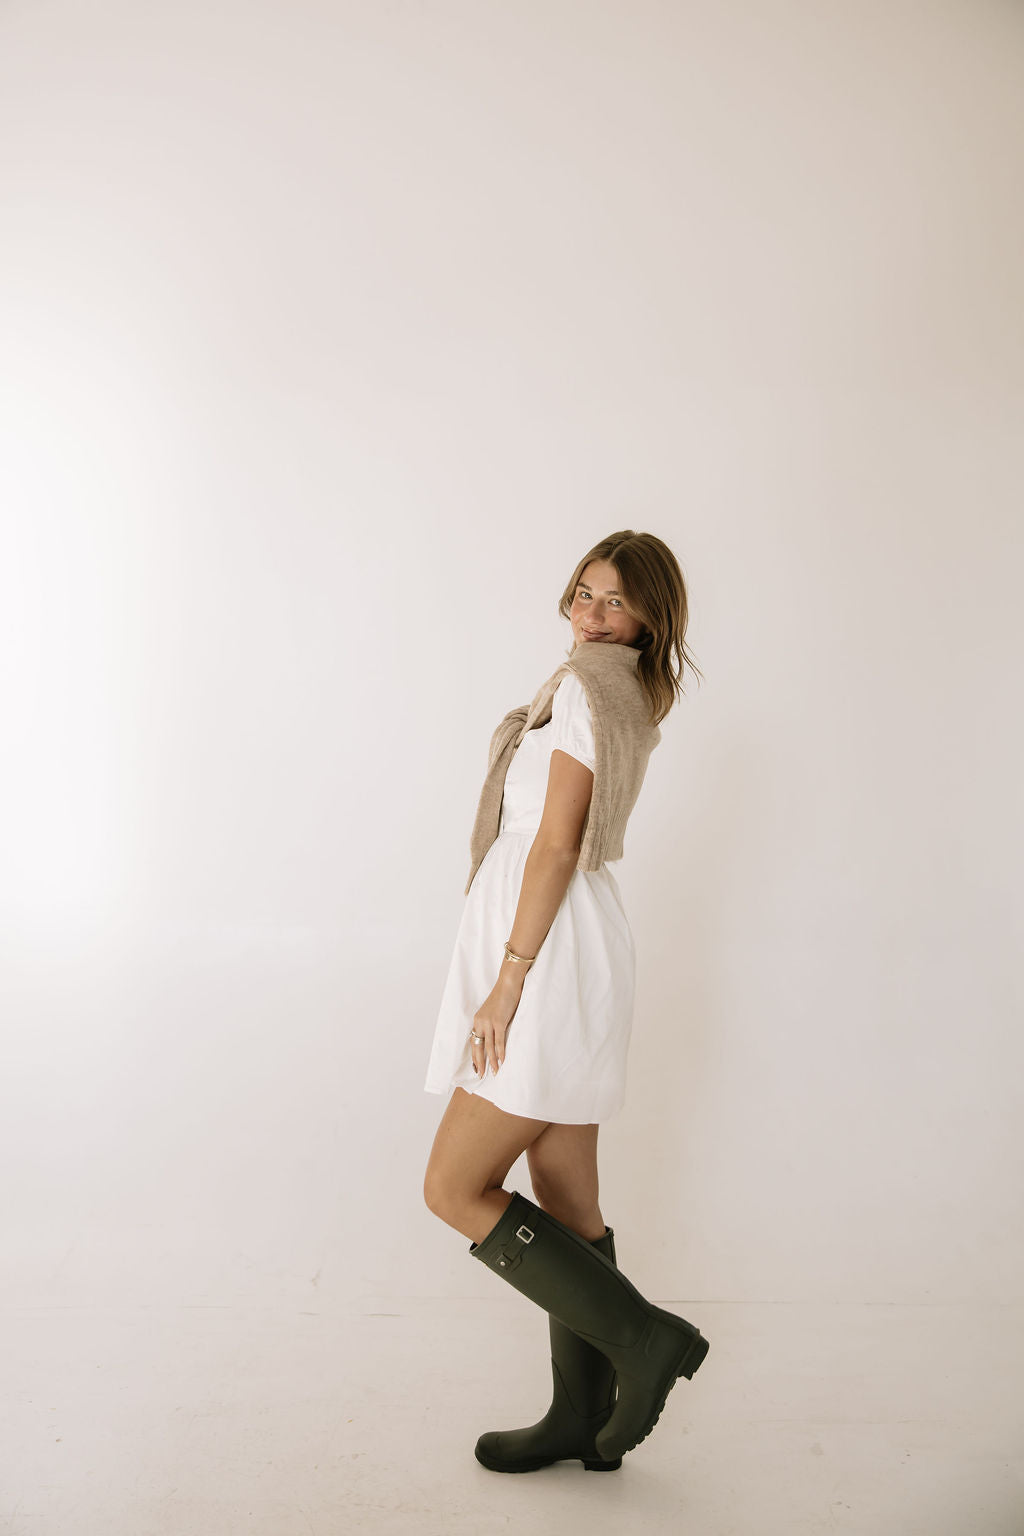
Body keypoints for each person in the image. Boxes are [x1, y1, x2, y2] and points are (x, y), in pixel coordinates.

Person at [422, 529, 708, 1474]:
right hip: (567, 941)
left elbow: (554, 843)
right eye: (585, 592)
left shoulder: (588, 690)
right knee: (568, 1200)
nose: (592, 613)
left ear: (649, 616)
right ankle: (581, 1419)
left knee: (452, 1188)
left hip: (544, 955)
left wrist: (508, 980)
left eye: (616, 600)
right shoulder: (612, 687)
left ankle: (646, 1341)